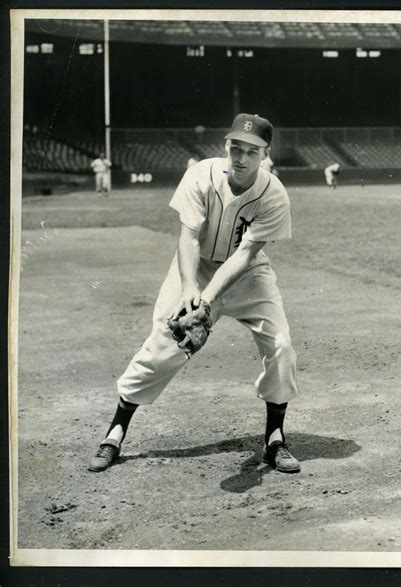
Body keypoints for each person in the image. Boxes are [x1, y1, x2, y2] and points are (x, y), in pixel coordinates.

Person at [88, 113, 300, 474]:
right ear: (226, 146)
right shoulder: (200, 175)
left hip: (248, 274)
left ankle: (274, 436)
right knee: (164, 347)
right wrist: (190, 290)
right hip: (195, 267)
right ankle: (116, 430)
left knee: (281, 346)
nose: (242, 158)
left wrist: (206, 300)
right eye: (236, 147)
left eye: (252, 151)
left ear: (265, 154)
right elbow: (187, 236)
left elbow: (246, 254)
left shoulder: (274, 194)